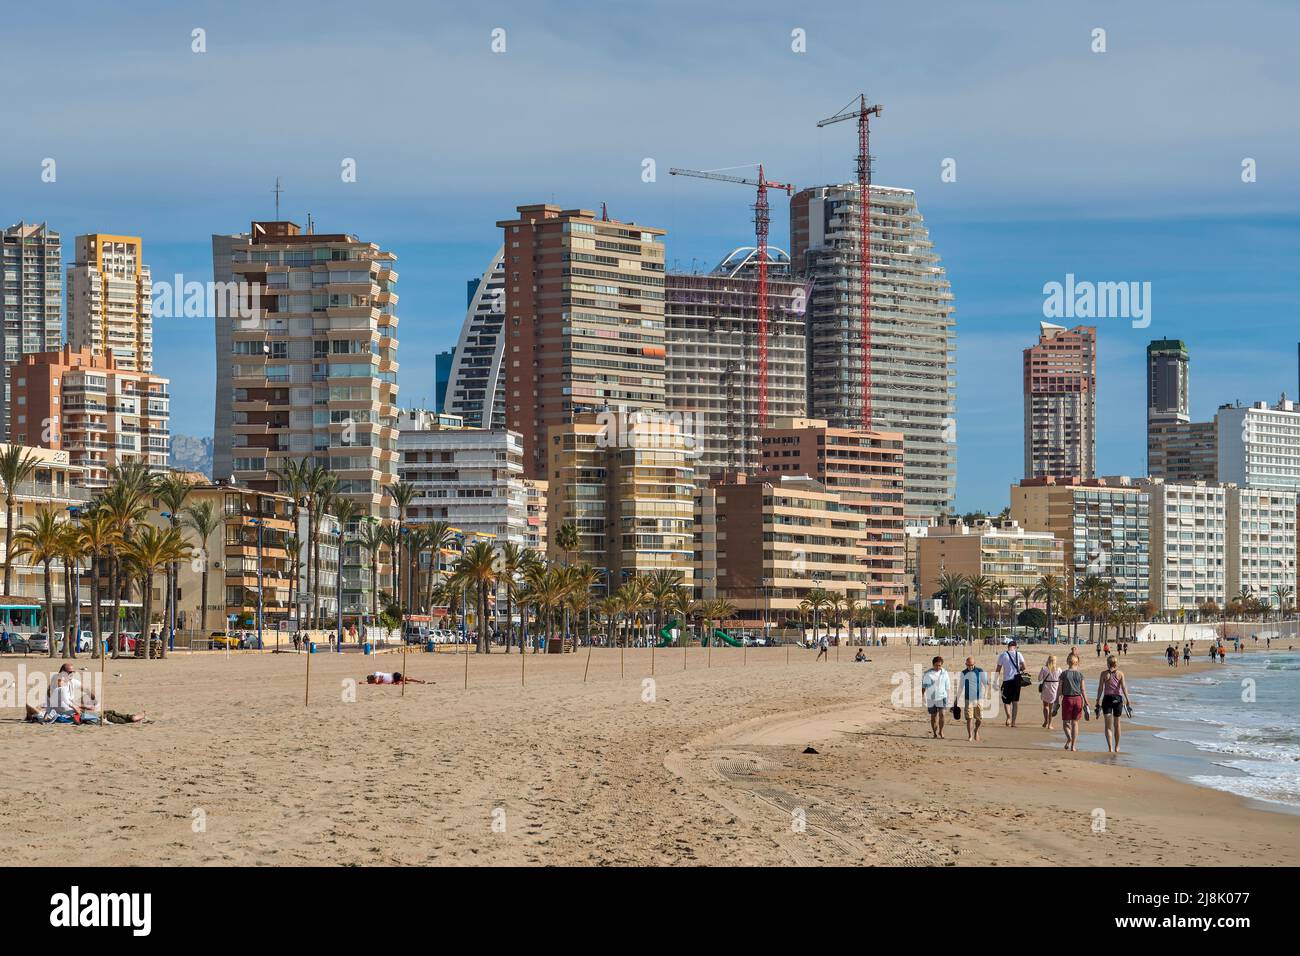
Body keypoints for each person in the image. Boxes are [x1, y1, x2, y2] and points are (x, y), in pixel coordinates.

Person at [1095, 654, 1131, 753]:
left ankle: (1110, 747)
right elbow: (1124, 687)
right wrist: (1128, 699)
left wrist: (1097, 700)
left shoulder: (1103, 674)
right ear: (1116, 663)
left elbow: (1100, 688)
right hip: (1117, 699)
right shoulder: (1120, 674)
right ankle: (1117, 746)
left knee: (1108, 725)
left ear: (1108, 663)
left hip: (1106, 699)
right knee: (1117, 724)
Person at [1058, 651, 1088, 751]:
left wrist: (1057, 701)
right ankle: (1073, 746)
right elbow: (1083, 690)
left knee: (1066, 722)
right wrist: (1086, 702)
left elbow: (1060, 689)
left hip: (1067, 699)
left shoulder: (1063, 674)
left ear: (1068, 662)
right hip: (1078, 699)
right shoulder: (1080, 675)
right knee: (1075, 723)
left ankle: (1069, 738)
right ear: (1077, 663)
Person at [994, 640, 1027, 727]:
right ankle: (1013, 722)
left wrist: (995, 681)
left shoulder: (1003, 655)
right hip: (1016, 681)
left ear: (1008, 647)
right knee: (1015, 702)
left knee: (1006, 701)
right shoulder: (1019, 654)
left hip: (1007, 680)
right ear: (1015, 647)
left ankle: (1008, 716)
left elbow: (998, 669)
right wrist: (1018, 668)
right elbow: (1024, 667)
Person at [956, 656, 986, 742]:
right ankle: (970, 735)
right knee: (969, 718)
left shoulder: (979, 671)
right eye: (969, 665)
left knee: (979, 718)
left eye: (972, 665)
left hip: (979, 698)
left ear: (974, 664)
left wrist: (985, 693)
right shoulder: (963, 673)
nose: (970, 667)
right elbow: (961, 687)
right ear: (966, 664)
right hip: (968, 699)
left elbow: (985, 683)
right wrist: (956, 699)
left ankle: (976, 730)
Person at [921, 656, 950, 739]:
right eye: (936, 665)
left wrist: (948, 696)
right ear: (933, 665)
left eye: (939, 665)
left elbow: (947, 686)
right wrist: (922, 695)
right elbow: (924, 686)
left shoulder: (945, 673)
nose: (938, 667)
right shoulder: (928, 674)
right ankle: (934, 733)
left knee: (942, 714)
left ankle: (941, 731)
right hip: (931, 697)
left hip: (942, 696)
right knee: (933, 716)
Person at [1038, 654, 1061, 730]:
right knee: (1051, 707)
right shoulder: (1058, 669)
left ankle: (1046, 720)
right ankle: (1050, 724)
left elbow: (1039, 679)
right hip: (1055, 688)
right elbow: (1061, 680)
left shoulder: (1044, 668)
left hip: (1046, 688)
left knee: (1045, 706)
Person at [364, 671, 430, 685]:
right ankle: (418, 683)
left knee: (406, 678)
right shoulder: (376, 679)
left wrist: (368, 682)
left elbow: (376, 681)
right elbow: (378, 682)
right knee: (404, 683)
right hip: (393, 681)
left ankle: (419, 681)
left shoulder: (376, 674)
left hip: (394, 676)